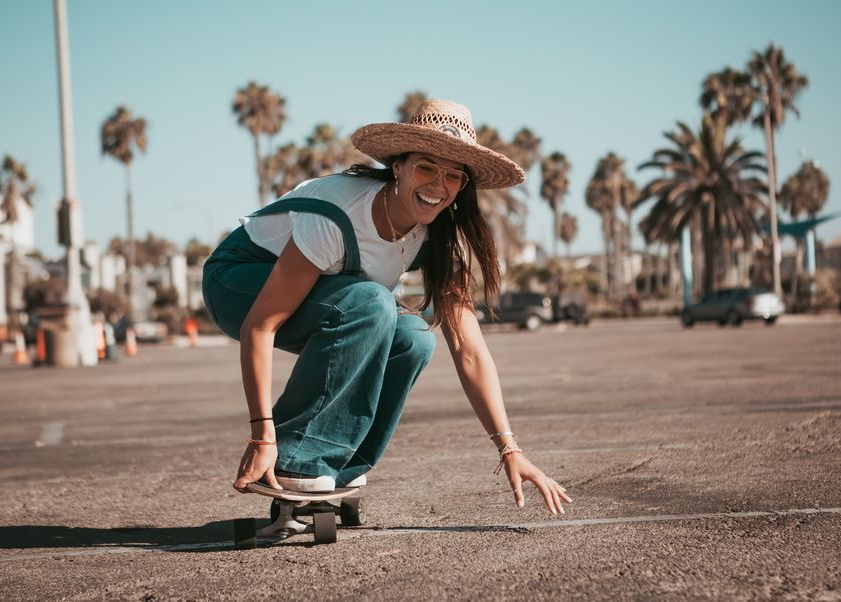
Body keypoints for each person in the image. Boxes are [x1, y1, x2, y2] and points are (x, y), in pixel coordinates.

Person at [202, 99, 571, 515]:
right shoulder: (338, 211)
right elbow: (260, 326)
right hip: (238, 284)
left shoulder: (440, 239)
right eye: (426, 167)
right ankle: (298, 459)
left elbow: (469, 350)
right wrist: (262, 438)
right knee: (372, 302)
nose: (438, 185)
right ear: (399, 165)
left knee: (413, 337)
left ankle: (342, 463)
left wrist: (509, 448)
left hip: (322, 297)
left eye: (453, 176)